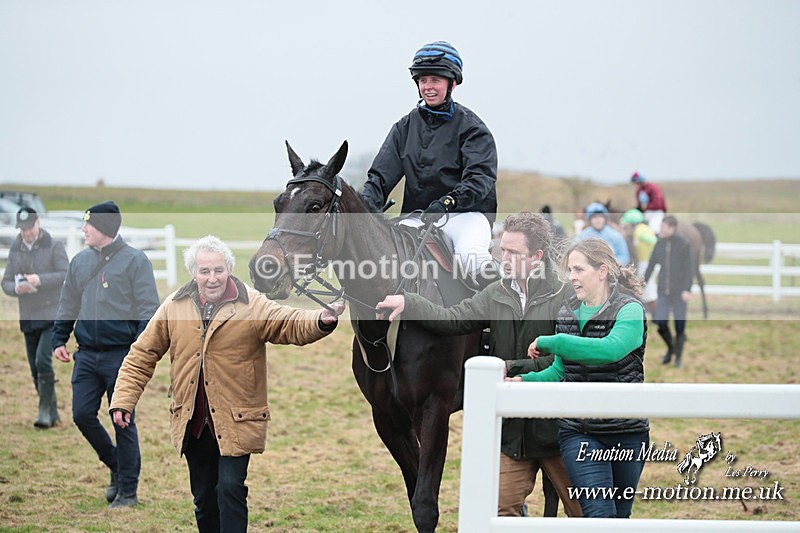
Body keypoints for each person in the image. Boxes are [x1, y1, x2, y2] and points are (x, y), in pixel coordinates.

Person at [108, 235, 344, 531]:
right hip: (193, 420)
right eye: (204, 271)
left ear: (229, 269)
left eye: (218, 270)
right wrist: (123, 400)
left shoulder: (251, 303)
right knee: (204, 497)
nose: (212, 278)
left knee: (230, 489)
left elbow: (287, 322)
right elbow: (142, 354)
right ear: (193, 273)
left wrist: (320, 319)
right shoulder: (174, 305)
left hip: (236, 420)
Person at [376, 212, 581, 518]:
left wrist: (508, 367)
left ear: (537, 257)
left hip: (562, 432)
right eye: (502, 250)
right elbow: (454, 318)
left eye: (513, 253)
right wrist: (411, 302)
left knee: (586, 514)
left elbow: (568, 360)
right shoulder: (496, 292)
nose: (504, 260)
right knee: (499, 513)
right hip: (514, 436)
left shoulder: (567, 296)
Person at [506, 238, 649, 519]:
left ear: (602, 271)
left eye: (579, 269)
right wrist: (525, 381)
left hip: (627, 432)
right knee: (598, 514)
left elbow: (610, 350)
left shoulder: (630, 310)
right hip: (580, 432)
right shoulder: (567, 311)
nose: (571, 277)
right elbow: (561, 371)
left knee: (620, 518)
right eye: (570, 270)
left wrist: (554, 341)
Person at [52, 200, 160, 509]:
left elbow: (148, 311)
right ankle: (116, 465)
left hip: (121, 357)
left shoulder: (136, 261)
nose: (83, 229)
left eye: (89, 224)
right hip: (86, 355)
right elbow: (68, 301)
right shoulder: (80, 261)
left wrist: (137, 353)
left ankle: (128, 492)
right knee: (81, 415)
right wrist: (59, 337)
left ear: (105, 228)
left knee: (122, 422)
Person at [359, 40, 498, 281]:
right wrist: (364, 207)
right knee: (384, 255)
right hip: (418, 217)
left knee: (472, 257)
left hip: (466, 217)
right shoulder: (404, 127)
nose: (428, 87)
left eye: (435, 80)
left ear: (452, 83)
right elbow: (380, 177)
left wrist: (447, 203)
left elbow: (480, 179)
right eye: (423, 80)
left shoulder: (473, 129)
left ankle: (507, 301)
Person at [1, 207, 69, 428]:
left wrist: (39, 280)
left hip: (51, 315)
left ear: (38, 223)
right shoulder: (16, 248)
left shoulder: (54, 246)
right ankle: (52, 412)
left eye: (29, 228)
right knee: (34, 367)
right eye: (22, 229)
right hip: (28, 316)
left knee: (42, 360)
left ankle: (43, 412)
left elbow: (65, 274)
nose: (26, 233)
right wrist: (16, 288)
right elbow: (6, 281)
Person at [644, 215, 693, 367]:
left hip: (679, 293)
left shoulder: (684, 244)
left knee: (679, 326)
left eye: (663, 227)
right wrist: (642, 283)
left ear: (672, 228)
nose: (660, 230)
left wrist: (687, 289)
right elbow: (651, 264)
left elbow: (689, 269)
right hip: (663, 291)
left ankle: (678, 357)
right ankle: (671, 348)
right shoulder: (659, 243)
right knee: (660, 322)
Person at [619, 208, 658, 314]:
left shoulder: (639, 230)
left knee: (647, 291)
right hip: (644, 262)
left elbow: (654, 241)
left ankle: (656, 315)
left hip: (645, 263)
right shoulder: (643, 228)